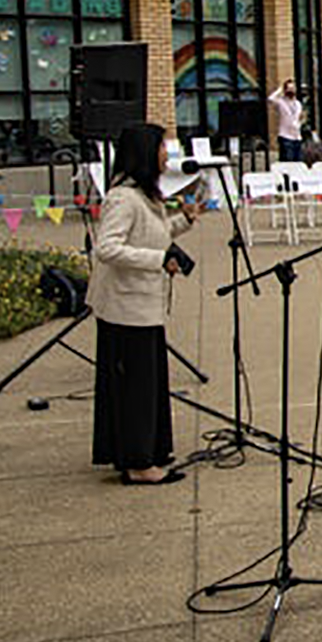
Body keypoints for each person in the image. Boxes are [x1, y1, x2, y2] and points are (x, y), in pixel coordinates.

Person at [89, 123, 201, 485]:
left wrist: (184, 220)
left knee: (148, 382)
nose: (168, 154)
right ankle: (138, 464)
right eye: (162, 148)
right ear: (144, 152)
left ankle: (147, 450)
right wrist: (157, 260)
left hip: (142, 307)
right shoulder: (123, 197)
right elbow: (107, 248)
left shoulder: (145, 195)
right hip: (125, 309)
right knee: (136, 385)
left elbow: (154, 233)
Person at [267, 80, 304, 162]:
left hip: (297, 137)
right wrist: (280, 90)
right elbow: (270, 99)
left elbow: (299, 117)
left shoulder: (298, 104)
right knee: (287, 161)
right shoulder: (281, 102)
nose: (291, 90)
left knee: (298, 162)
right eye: (289, 88)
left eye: (293, 88)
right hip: (285, 136)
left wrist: (299, 124)